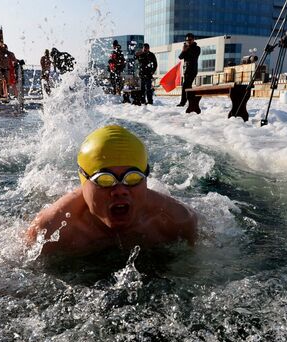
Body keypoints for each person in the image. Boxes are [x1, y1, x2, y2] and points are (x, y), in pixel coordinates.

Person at [26, 125, 197, 256]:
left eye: (133, 178)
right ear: (84, 182)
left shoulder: (177, 221)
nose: (120, 190)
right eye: (105, 180)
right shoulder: (51, 230)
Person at [177, 33, 200, 108]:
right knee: (188, 86)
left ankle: (183, 102)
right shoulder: (186, 48)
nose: (188, 41)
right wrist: (184, 50)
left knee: (185, 86)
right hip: (186, 70)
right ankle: (191, 102)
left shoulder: (197, 48)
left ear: (193, 40)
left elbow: (194, 56)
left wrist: (188, 49)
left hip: (193, 70)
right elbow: (180, 57)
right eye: (187, 40)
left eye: (190, 40)